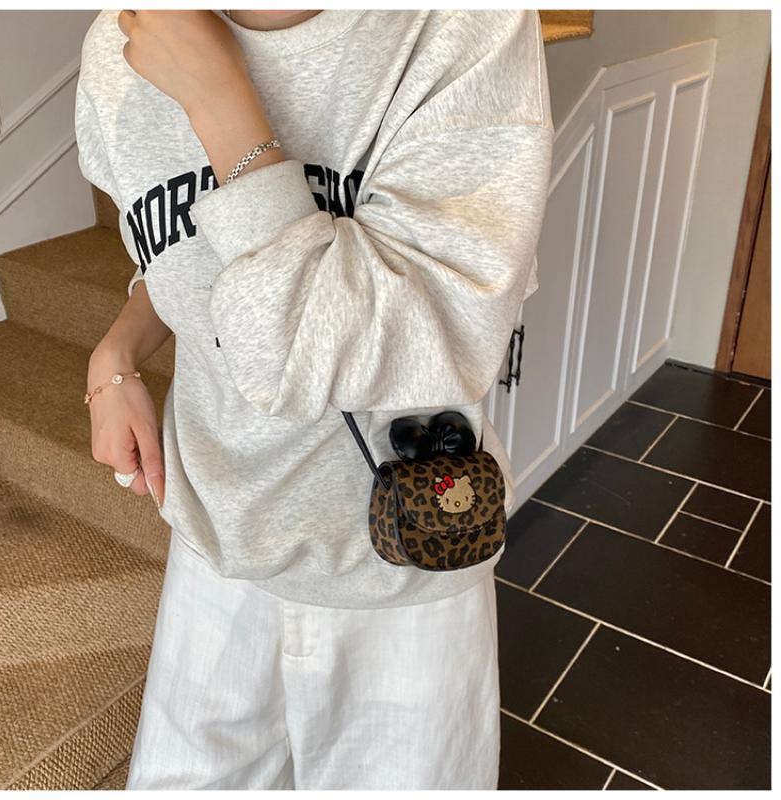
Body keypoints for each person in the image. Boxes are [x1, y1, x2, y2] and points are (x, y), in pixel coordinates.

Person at [75, 7, 553, 790]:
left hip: (397, 563)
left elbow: (368, 346)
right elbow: (181, 254)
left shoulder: (461, 26)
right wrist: (118, 352)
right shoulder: (120, 48)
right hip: (215, 537)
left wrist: (221, 102)